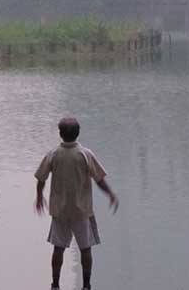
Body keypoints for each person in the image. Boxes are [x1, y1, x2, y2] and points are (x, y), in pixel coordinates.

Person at [34, 117, 118, 290]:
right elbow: (99, 179)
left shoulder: (53, 154)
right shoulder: (85, 154)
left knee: (58, 248)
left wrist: (39, 196)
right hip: (82, 211)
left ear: (60, 134)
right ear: (78, 133)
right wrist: (110, 194)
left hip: (60, 211)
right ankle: (86, 285)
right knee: (85, 249)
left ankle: (55, 285)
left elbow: (41, 178)